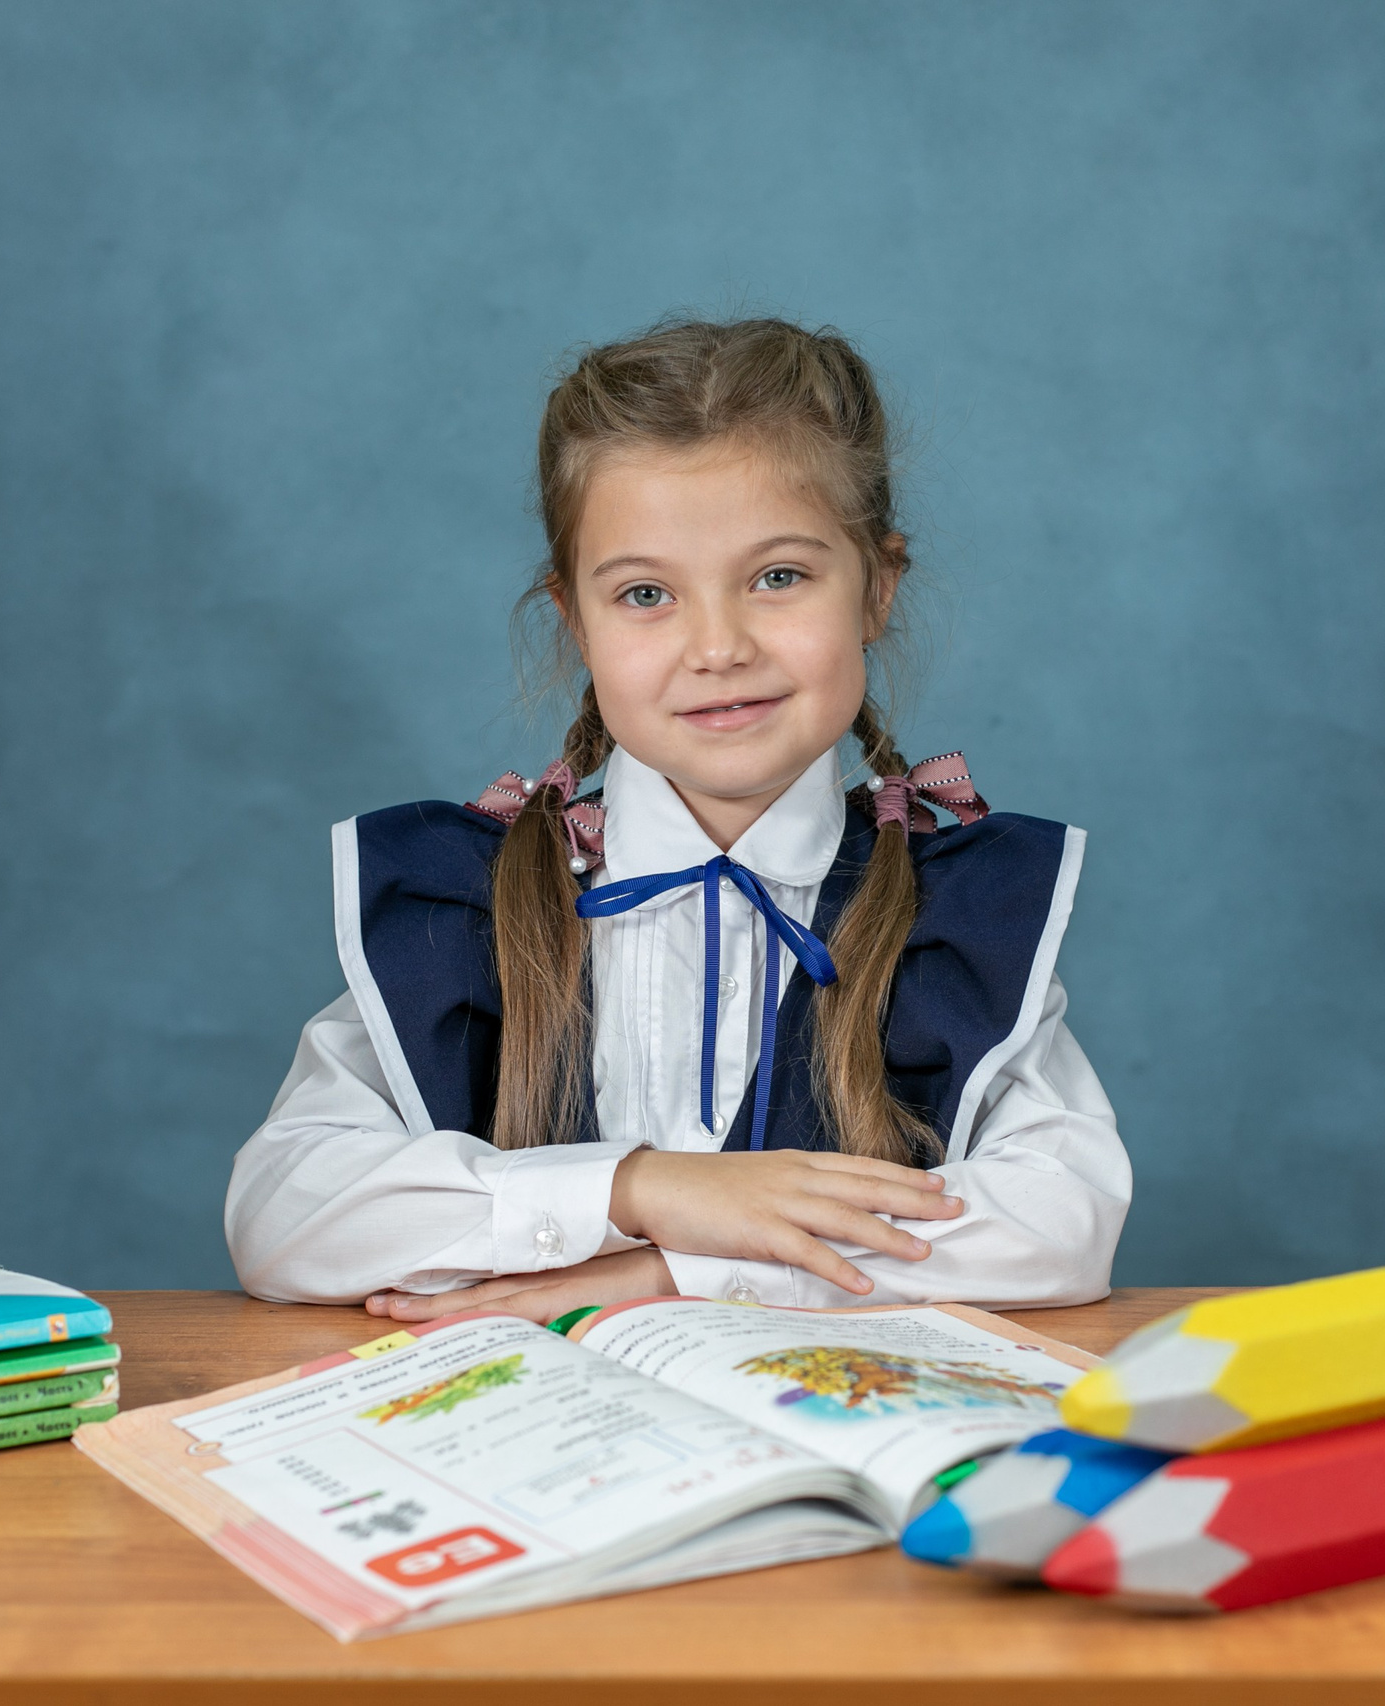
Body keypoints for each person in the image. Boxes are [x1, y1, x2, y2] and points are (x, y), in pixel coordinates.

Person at [225, 317, 1130, 1323]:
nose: (717, 645)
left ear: (876, 586)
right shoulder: (469, 900)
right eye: (646, 593)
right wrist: (639, 1188)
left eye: (777, 576)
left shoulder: (955, 914)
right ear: (575, 620)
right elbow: (283, 1208)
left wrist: (677, 1269)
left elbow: (1062, 1218)